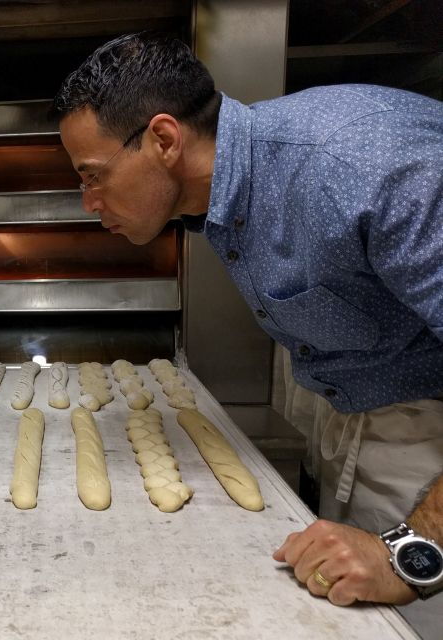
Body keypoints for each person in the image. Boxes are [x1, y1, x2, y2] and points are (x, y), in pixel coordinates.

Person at [52, 32, 443, 636]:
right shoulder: (229, 188)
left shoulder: (364, 168)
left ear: (162, 139)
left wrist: (416, 546)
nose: (87, 201)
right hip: (363, 424)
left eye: (94, 176)